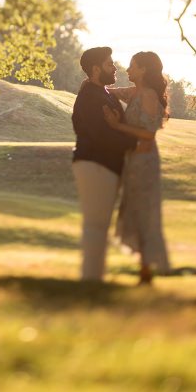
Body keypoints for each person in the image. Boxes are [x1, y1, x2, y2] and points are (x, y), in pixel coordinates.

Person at [104, 51, 172, 284]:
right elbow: (106, 91)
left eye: (132, 66)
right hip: (132, 159)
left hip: (145, 161)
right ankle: (144, 270)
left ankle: (147, 272)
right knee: (132, 209)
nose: (127, 70)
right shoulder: (134, 92)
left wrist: (116, 126)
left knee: (144, 212)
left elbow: (148, 134)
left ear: (143, 70)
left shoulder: (149, 96)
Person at [71, 47, 139, 281]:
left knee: (100, 225)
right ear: (96, 68)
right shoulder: (91, 97)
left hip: (106, 165)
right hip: (94, 163)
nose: (115, 67)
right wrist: (135, 138)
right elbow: (102, 134)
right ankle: (90, 279)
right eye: (110, 64)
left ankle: (94, 277)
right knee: (95, 225)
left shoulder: (102, 92)